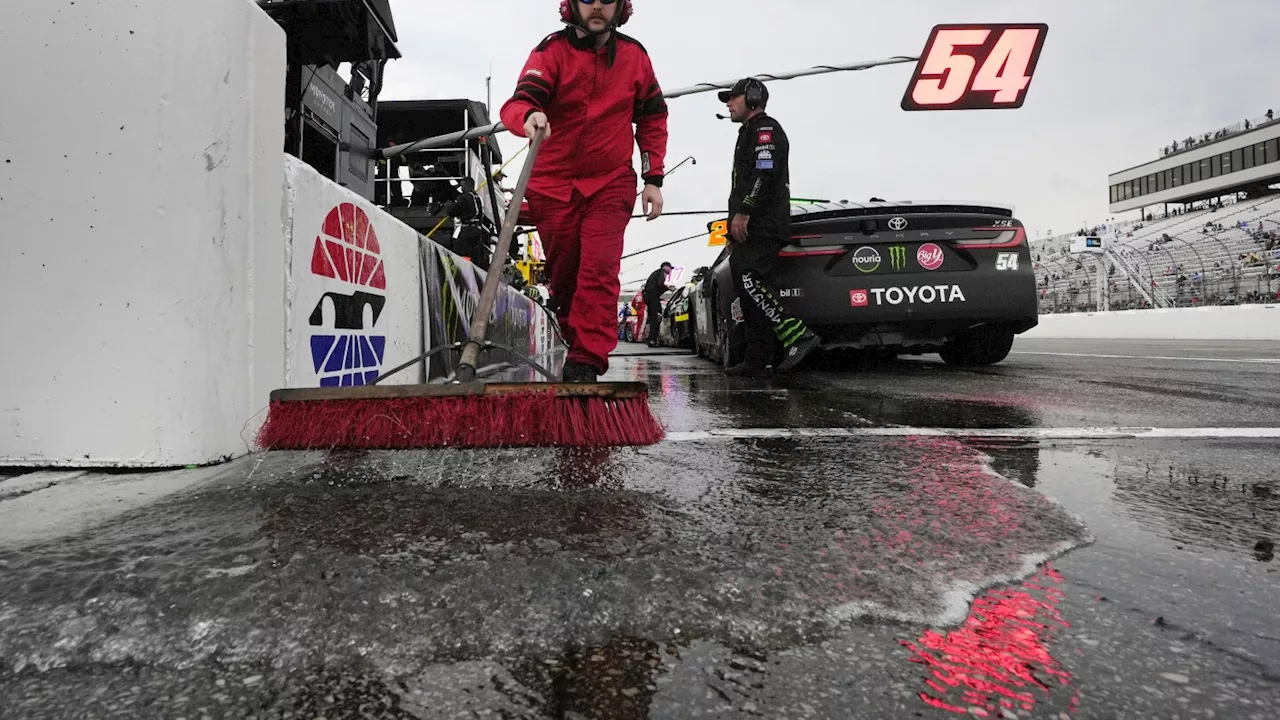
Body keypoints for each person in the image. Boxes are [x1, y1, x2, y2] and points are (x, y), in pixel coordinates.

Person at [500, 0, 667, 383]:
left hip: (610, 182)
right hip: (551, 185)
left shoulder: (634, 56)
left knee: (599, 268)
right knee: (566, 280)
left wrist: (653, 178)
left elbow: (653, 118)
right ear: (570, 5)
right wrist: (529, 116)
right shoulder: (550, 51)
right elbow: (518, 102)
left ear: (620, 7)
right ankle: (574, 343)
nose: (596, 6)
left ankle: (587, 361)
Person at [719, 77, 821, 376]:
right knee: (744, 283)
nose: (728, 103)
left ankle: (799, 335)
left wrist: (745, 211)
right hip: (749, 226)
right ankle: (758, 358)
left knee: (750, 278)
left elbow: (765, 173)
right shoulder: (748, 131)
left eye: (733, 98)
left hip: (763, 224)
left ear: (752, 98)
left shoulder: (766, 129)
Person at [642, 261, 672, 346]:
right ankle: (652, 339)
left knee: (653, 318)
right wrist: (669, 288)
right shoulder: (661, 273)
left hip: (649, 297)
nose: (670, 271)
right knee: (656, 318)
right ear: (665, 267)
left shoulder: (656, 273)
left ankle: (652, 339)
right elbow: (660, 284)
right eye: (669, 268)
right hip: (652, 298)